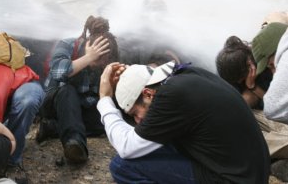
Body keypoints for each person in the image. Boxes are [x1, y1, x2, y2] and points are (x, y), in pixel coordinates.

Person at [98, 61, 269, 183]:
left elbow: (127, 147)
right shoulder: (184, 75)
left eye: (135, 113)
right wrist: (130, 78)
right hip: (248, 172)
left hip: (231, 178)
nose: (137, 120)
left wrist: (105, 100)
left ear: (148, 93)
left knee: (122, 166)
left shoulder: (170, 97)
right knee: (148, 148)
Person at [38, 15, 119, 164]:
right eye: (97, 60)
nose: (97, 65)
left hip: (84, 105)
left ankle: (52, 127)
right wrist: (88, 58)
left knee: (110, 120)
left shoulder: (110, 54)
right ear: (88, 46)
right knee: (68, 91)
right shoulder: (68, 44)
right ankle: (74, 144)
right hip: (58, 101)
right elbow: (57, 71)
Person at [216, 35, 288, 181]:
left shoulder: (267, 62)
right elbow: (239, 106)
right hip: (262, 117)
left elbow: (277, 104)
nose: (239, 81)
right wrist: (250, 89)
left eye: (241, 77)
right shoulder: (234, 77)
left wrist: (253, 87)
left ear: (251, 64)